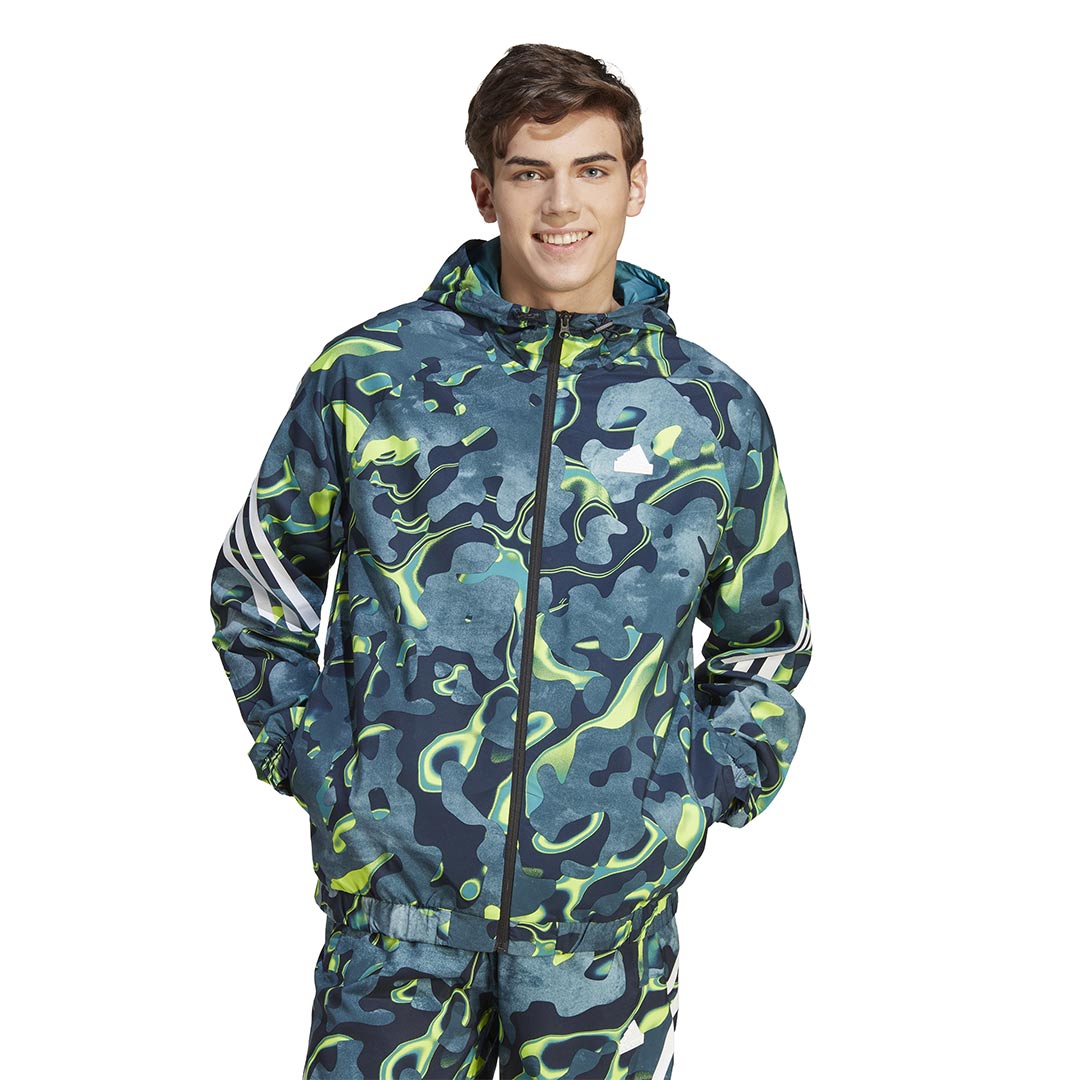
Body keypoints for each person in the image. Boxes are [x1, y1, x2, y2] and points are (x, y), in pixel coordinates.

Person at [210, 41, 812, 1080]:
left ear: (636, 186)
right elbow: (258, 586)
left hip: (606, 943)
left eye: (592, 169)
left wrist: (691, 793)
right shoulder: (372, 374)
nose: (562, 204)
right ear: (485, 191)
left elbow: (766, 639)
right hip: (393, 932)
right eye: (531, 172)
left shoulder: (711, 411)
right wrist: (323, 763)